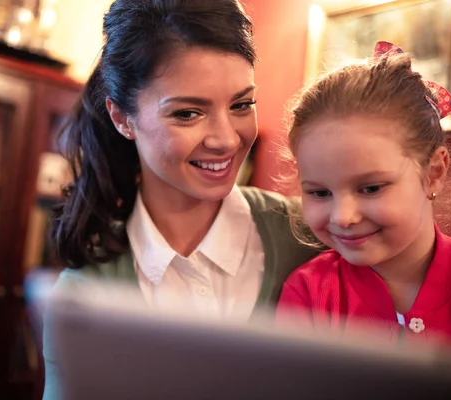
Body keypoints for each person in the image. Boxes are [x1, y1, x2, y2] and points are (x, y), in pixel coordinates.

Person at [42, 0, 320, 397]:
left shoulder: (312, 236)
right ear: (123, 118)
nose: (226, 139)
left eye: (242, 105)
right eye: (188, 114)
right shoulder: (84, 292)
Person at [277, 41, 451, 345]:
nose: (343, 217)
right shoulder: (308, 293)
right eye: (320, 193)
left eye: (371, 188)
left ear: (434, 172)